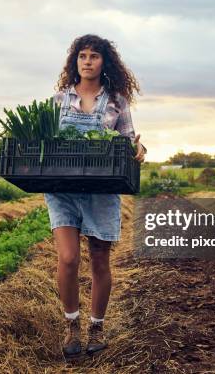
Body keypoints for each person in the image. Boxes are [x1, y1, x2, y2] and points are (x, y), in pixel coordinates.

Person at [45, 34, 146, 358]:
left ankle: (96, 327)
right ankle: (71, 326)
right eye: (82, 56)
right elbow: (46, 141)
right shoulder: (58, 100)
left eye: (94, 56)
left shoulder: (117, 101)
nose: (87, 61)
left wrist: (139, 149)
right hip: (63, 190)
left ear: (105, 63)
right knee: (68, 258)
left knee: (100, 260)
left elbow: (129, 140)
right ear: (75, 62)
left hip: (102, 191)